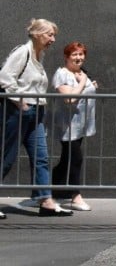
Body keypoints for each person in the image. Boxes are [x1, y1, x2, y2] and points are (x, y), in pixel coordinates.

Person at [0, 18, 73, 218]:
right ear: (37, 34)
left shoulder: (38, 55)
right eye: (50, 34)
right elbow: (4, 78)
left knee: (41, 157)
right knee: (6, 158)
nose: (53, 39)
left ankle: (46, 201)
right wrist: (20, 102)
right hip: (18, 112)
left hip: (36, 113)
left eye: (54, 35)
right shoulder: (22, 53)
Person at [50, 41, 99, 211]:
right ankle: (75, 197)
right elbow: (69, 99)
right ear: (66, 57)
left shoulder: (81, 73)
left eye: (81, 54)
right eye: (74, 54)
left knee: (66, 160)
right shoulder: (62, 74)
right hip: (67, 125)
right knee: (75, 158)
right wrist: (83, 81)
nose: (79, 58)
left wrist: (90, 86)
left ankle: (50, 192)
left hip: (81, 125)